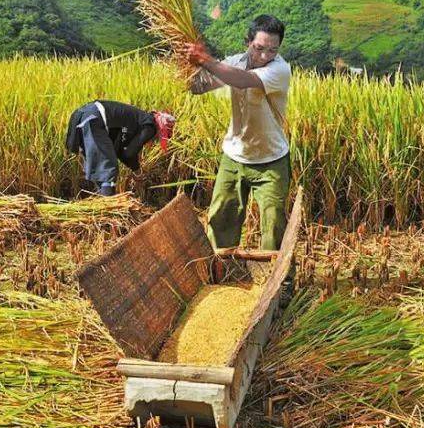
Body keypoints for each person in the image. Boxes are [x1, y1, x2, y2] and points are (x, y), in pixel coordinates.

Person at [187, 15, 291, 252]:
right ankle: (220, 271)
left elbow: (243, 80)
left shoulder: (280, 70)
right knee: (221, 217)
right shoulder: (235, 62)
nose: (265, 56)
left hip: (270, 160)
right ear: (248, 42)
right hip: (234, 157)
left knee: (273, 225)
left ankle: (276, 281)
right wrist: (189, 63)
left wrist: (205, 58)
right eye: (259, 48)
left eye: (272, 50)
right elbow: (199, 87)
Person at [65, 100, 175, 196]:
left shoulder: (136, 120)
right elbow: (129, 153)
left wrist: (136, 170)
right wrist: (138, 171)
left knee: (101, 171)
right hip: (94, 118)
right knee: (108, 169)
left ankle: (103, 204)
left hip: (84, 115)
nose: (155, 141)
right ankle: (109, 210)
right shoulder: (150, 125)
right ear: (162, 130)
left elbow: (122, 153)